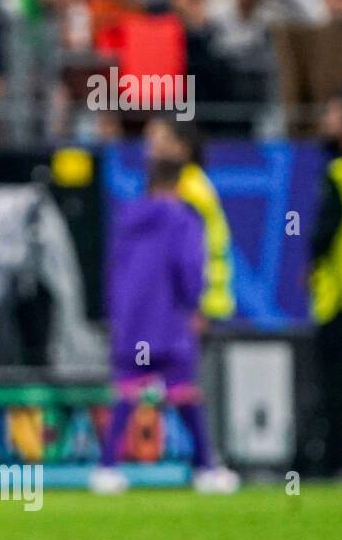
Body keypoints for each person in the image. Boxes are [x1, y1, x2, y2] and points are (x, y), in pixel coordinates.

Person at [91, 157, 238, 495]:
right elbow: (188, 266)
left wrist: (116, 316)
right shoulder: (182, 219)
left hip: (130, 325)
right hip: (167, 321)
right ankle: (206, 469)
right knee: (184, 391)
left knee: (127, 392)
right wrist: (195, 305)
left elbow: (112, 273)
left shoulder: (126, 220)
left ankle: (106, 468)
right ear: (177, 185)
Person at [145, 116, 236, 321]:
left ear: (181, 148)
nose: (151, 148)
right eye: (149, 139)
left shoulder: (189, 189)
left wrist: (196, 308)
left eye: (159, 140)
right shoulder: (178, 185)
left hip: (197, 307)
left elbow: (190, 252)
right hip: (188, 304)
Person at [308, 93, 342, 477]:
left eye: (333, 113)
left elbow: (321, 237)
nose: (325, 120)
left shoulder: (336, 174)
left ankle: (327, 462)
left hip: (337, 300)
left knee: (332, 387)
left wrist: (311, 265)